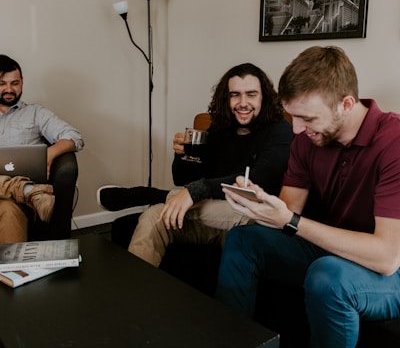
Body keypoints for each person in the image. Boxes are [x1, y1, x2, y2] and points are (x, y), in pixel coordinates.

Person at [216, 46, 400, 348]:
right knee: (244, 239)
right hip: (333, 252)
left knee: (328, 275)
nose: (298, 129)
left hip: (390, 271)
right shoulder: (305, 139)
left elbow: (386, 258)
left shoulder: (393, 141)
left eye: (307, 118)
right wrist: (261, 204)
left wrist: (290, 220)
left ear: (346, 104)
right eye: (292, 117)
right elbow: (288, 210)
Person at [100, 63, 293, 266]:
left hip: (250, 218)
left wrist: (194, 192)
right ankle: (136, 295)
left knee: (185, 200)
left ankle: (148, 194)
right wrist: (182, 155)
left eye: (251, 94)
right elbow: (184, 180)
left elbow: (258, 179)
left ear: (264, 97)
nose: (242, 102)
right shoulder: (221, 128)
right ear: (226, 98)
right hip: (211, 218)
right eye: (235, 94)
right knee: (153, 217)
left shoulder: (280, 130)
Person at [0, 54, 84, 244]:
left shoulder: (35, 113)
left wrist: (50, 153)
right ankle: (27, 190)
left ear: (22, 82)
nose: (9, 89)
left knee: (9, 211)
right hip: (28, 196)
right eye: (2, 83)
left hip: (15, 203)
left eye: (14, 83)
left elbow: (74, 137)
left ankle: (12, 273)